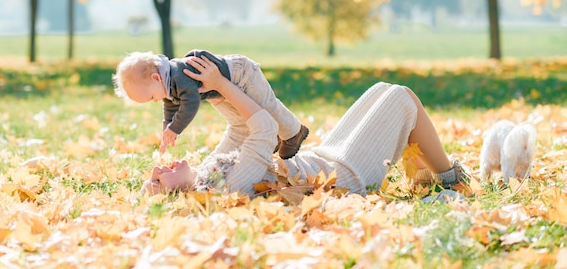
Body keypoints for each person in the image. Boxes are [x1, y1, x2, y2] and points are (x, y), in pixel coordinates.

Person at [142, 56, 469, 197]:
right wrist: (224, 87)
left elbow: (239, 132)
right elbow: (265, 129)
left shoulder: (209, 174)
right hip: (345, 177)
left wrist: (211, 87)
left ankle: (426, 180)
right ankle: (450, 179)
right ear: (175, 193)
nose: (159, 167)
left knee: (383, 89)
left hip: (322, 159)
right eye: (159, 179)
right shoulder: (228, 185)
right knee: (401, 98)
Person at [112, 49, 309, 159]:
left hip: (242, 74)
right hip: (223, 89)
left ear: (156, 78)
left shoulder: (179, 76)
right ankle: (270, 139)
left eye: (152, 97)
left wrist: (177, 128)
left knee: (266, 106)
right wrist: (167, 129)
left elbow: (190, 103)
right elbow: (171, 107)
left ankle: (294, 132)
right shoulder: (165, 83)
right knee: (244, 121)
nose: (156, 101)